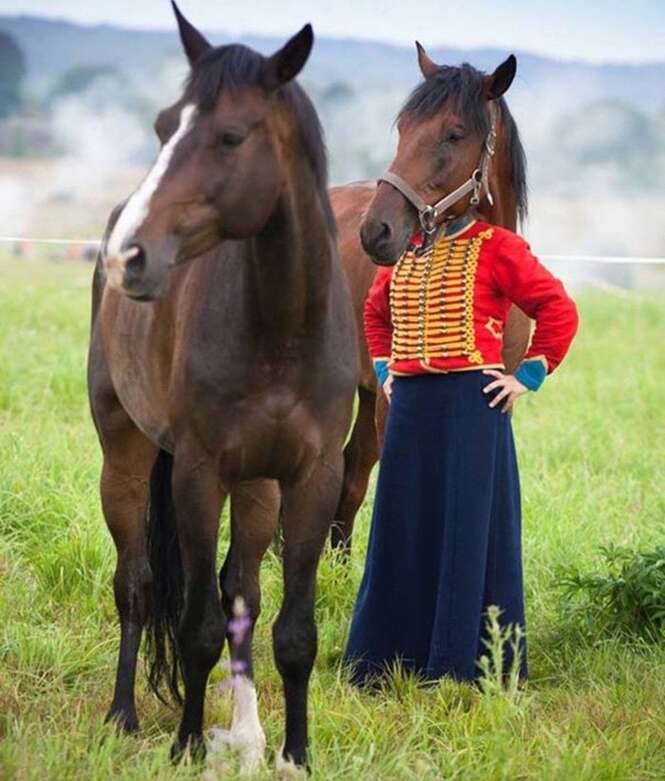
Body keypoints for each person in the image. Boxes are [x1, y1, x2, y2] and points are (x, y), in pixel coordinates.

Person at [344, 215, 579, 685]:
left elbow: (558, 308)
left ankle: (464, 667)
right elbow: (375, 313)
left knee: (468, 531)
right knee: (402, 526)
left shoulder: (499, 247)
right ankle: (386, 661)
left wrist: (528, 375)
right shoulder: (404, 248)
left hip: (473, 404)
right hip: (409, 406)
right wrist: (387, 369)